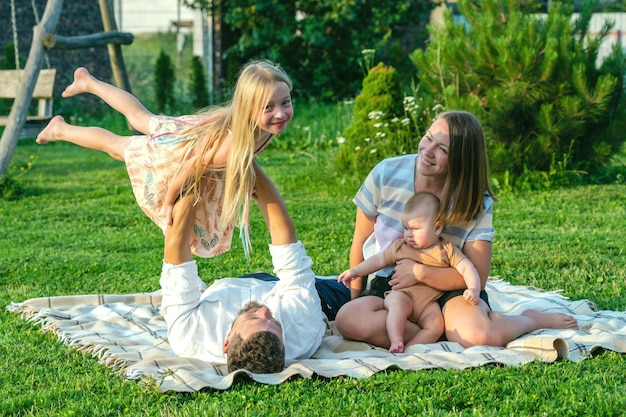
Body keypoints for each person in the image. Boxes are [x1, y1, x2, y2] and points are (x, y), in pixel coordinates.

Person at [335, 110, 579, 349]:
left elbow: (478, 277)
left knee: (479, 336)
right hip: (395, 286)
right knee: (349, 320)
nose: (427, 152)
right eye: (428, 138)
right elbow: (360, 243)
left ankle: (529, 319)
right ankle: (438, 332)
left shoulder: (476, 200)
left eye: (442, 149)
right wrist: (356, 299)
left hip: (450, 289)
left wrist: (419, 272)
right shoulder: (386, 173)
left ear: (461, 160)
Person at [36, 60, 294, 258]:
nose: (280, 113)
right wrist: (168, 202)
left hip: (187, 136)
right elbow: (192, 168)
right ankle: (61, 129)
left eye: (285, 102)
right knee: (117, 146)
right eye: (268, 107)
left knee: (139, 116)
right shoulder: (232, 143)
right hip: (176, 155)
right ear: (248, 109)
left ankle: (88, 82)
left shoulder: (260, 127)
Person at [160, 162, 350, 373]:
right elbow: (287, 246)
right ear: (285, 346)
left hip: (232, 287)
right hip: (294, 294)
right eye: (273, 321)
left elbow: (176, 256)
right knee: (369, 291)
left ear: (227, 342)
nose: (265, 310)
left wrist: (194, 177)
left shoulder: (188, 336)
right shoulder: (302, 330)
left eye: (252, 318)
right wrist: (246, 159)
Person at [337, 191, 480, 353]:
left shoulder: (446, 249)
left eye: (415, 228)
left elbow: (467, 267)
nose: (408, 234)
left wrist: (473, 288)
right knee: (397, 306)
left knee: (436, 325)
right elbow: (378, 260)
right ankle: (396, 339)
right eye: (405, 228)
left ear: (437, 228)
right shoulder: (401, 246)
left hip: (428, 303)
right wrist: (355, 271)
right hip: (403, 294)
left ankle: (410, 348)